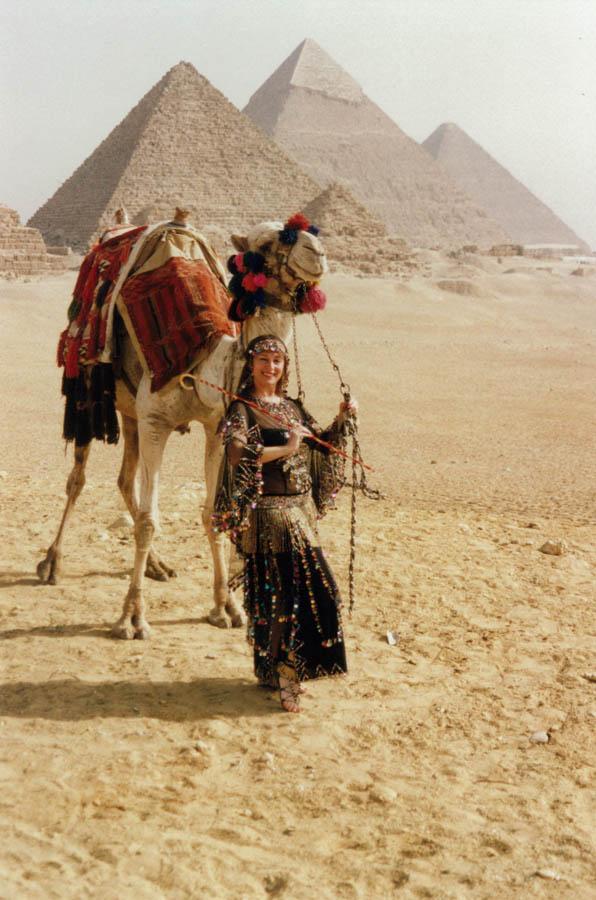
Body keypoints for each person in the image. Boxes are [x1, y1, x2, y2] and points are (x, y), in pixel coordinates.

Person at [213, 334, 357, 713]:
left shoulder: (292, 407)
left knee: (297, 593)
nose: (270, 368)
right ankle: (288, 673)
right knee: (292, 595)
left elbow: (321, 444)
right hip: (270, 514)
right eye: (263, 360)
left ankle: (274, 666)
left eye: (277, 361)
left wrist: (343, 419)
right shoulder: (241, 409)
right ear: (251, 366)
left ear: (284, 367)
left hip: (301, 512)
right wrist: (287, 449)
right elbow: (235, 455)